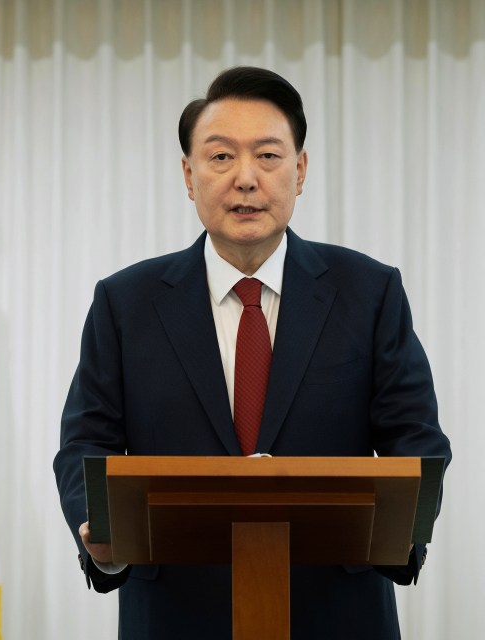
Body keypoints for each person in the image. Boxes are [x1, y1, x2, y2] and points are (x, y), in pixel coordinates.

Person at [54, 66, 451, 639]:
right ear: (189, 175)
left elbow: (416, 441)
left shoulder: (368, 292)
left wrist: (398, 536)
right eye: (220, 158)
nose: (245, 179)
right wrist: (99, 530)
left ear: (300, 169)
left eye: (267, 156)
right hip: (175, 616)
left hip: (337, 614)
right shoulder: (126, 303)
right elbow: (86, 441)